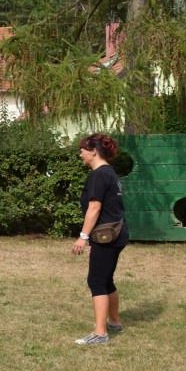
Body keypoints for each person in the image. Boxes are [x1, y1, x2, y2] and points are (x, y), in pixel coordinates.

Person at [71, 133, 128, 345]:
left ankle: (100, 333)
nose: (81, 155)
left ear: (93, 151)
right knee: (106, 279)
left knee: (96, 281)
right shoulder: (110, 173)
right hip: (118, 233)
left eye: (83, 151)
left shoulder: (99, 175)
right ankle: (114, 322)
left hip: (106, 236)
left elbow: (94, 208)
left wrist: (83, 237)